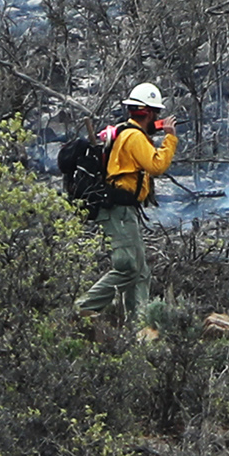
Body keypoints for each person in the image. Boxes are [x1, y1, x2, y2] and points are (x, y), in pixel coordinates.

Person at [75, 81, 177, 321]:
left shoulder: (126, 132)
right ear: (149, 113)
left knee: (141, 272)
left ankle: (139, 325)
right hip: (117, 210)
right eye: (156, 115)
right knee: (127, 267)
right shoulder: (133, 136)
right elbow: (156, 165)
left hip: (124, 210)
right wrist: (170, 139)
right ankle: (81, 309)